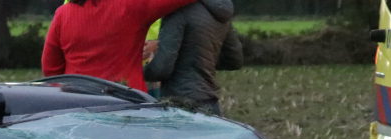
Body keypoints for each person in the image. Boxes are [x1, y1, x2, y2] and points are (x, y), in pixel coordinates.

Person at [42, 0, 200, 93]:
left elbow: (50, 68)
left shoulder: (62, 14)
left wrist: (66, 91)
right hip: (127, 102)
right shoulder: (130, 6)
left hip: (76, 101)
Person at [143, 0, 242, 115]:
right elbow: (234, 60)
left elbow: (161, 69)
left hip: (180, 104)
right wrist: (203, 61)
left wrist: (139, 70)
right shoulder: (221, 12)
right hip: (210, 104)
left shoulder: (178, 9)